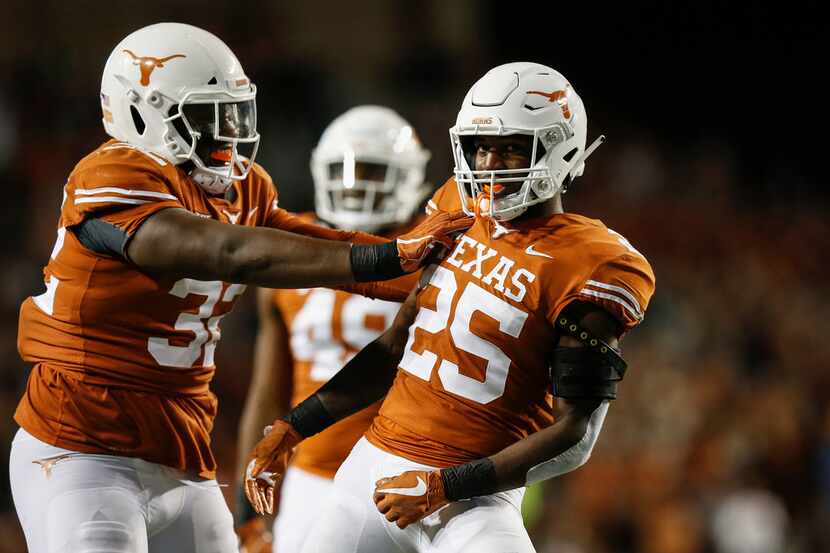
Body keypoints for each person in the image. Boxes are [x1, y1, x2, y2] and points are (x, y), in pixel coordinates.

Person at [9, 23, 469, 553]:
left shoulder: (245, 187)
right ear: (142, 112)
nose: (227, 132)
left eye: (233, 113)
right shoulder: (110, 174)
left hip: (182, 451)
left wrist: (456, 266)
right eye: (208, 116)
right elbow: (230, 251)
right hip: (79, 448)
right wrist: (391, 253)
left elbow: (328, 254)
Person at [244, 62, 656, 553]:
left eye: (510, 149)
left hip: (477, 500)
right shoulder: (455, 211)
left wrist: (446, 486)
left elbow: (576, 433)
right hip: (373, 469)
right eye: (482, 147)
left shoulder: (593, 262)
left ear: (559, 147)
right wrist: (295, 426)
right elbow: (395, 346)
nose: (489, 164)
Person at [235, 105, 433, 553]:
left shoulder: (436, 248)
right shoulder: (294, 244)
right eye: (346, 171)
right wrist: (247, 517)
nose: (356, 185)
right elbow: (267, 393)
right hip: (312, 475)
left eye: (373, 172)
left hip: (409, 472)